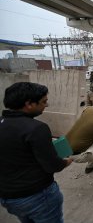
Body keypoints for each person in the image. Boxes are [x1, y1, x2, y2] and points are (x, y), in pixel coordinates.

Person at [0, 82, 72, 222]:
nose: (47, 105)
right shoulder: (36, 128)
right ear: (29, 104)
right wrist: (66, 161)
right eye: (44, 102)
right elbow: (53, 165)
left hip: (9, 198)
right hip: (37, 196)